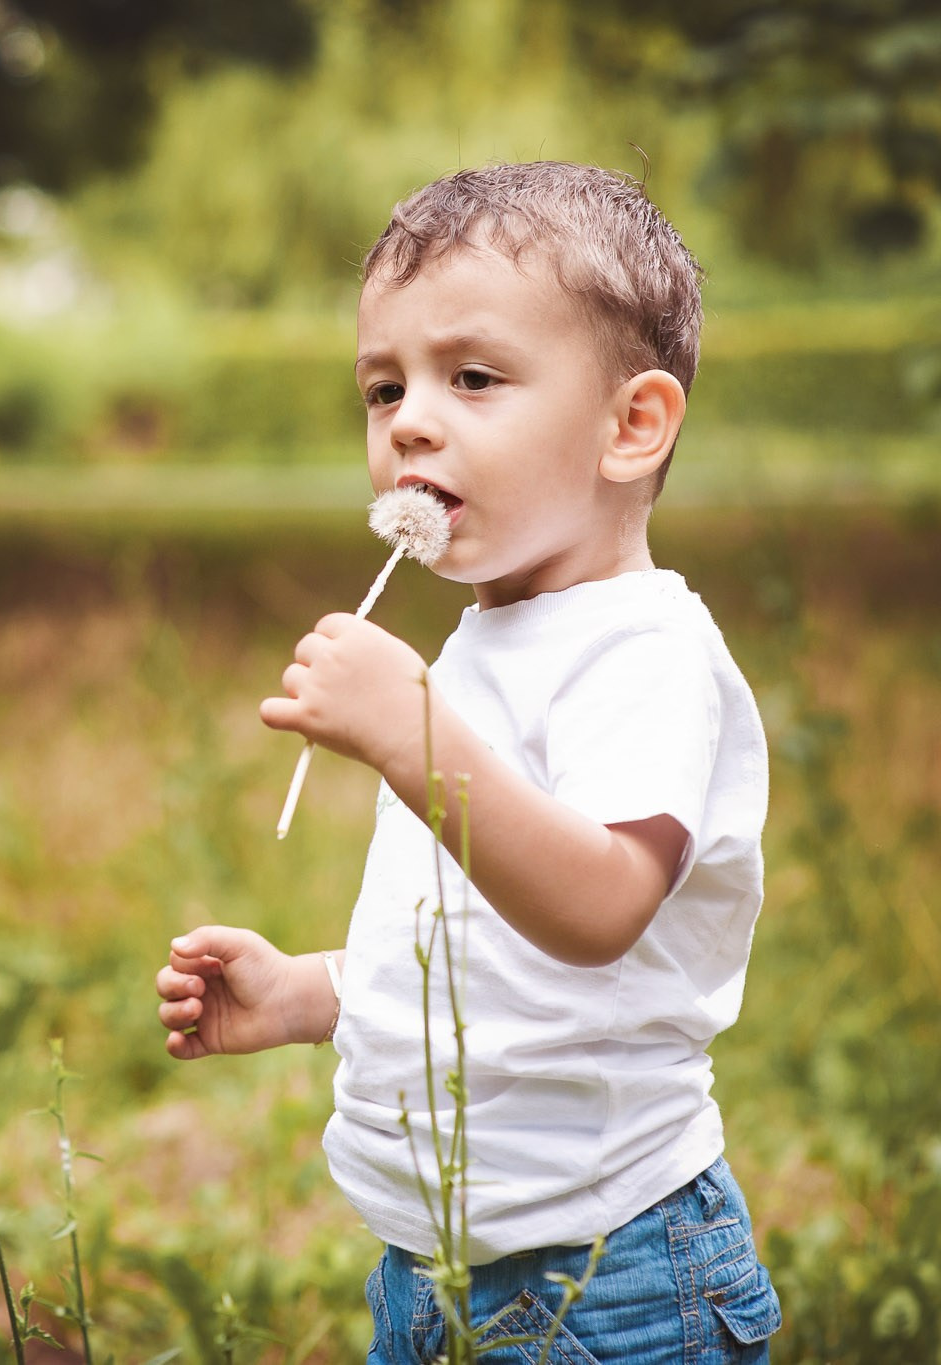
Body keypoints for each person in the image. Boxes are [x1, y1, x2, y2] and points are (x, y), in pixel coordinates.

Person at [152, 162, 783, 1363]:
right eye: (382, 388)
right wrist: (302, 994)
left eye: (472, 378)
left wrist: (412, 736)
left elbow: (596, 909)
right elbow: (477, 947)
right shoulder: (487, 640)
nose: (409, 422)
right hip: (433, 1269)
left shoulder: (643, 654)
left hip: (609, 1278)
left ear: (628, 426)